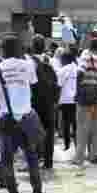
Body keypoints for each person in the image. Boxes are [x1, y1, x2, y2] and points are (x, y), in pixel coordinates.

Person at [0, 34, 44, 193]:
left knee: (7, 161)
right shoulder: (28, 66)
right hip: (27, 118)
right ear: (19, 49)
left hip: (7, 120)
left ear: (2, 50)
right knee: (31, 158)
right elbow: (33, 85)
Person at [28, 34, 60, 171]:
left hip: (34, 101)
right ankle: (48, 161)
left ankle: (35, 159)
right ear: (44, 47)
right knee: (49, 131)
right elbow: (57, 82)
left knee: (33, 131)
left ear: (32, 46)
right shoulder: (51, 61)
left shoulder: (28, 62)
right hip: (49, 102)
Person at [74, 38, 97, 166]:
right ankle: (95, 155)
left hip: (86, 96)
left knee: (83, 127)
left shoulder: (86, 57)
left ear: (89, 46)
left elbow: (80, 72)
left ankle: (79, 157)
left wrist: (77, 90)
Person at [57, 49, 78, 151]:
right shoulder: (78, 68)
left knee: (66, 123)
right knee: (76, 124)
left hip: (65, 100)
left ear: (65, 59)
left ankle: (67, 145)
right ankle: (78, 145)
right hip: (77, 100)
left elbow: (59, 85)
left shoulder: (63, 70)